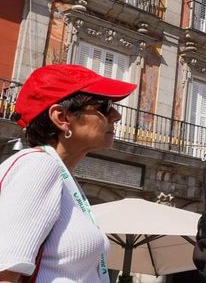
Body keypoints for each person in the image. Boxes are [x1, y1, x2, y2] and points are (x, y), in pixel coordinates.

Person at [0, 64, 135, 283]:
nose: (116, 115)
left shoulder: (59, 175)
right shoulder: (38, 166)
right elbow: (4, 274)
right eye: (104, 106)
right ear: (62, 117)